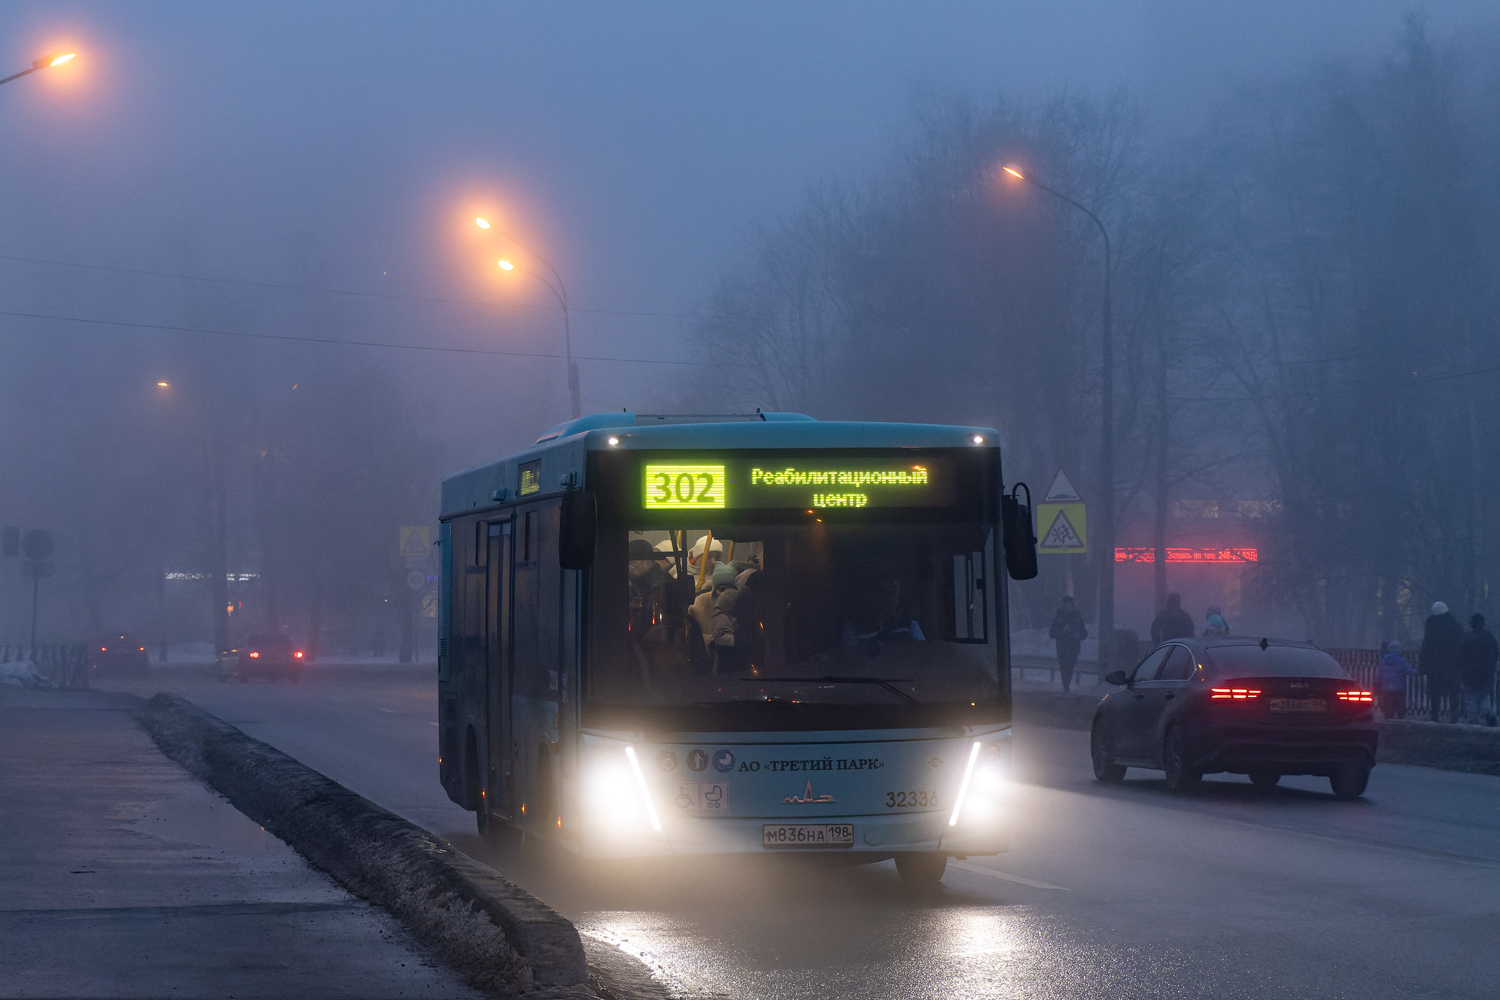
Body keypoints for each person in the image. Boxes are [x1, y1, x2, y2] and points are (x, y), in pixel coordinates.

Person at [1419, 602, 1464, 722]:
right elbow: (1461, 646)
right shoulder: (1455, 626)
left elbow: (1426, 647)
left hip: (1435, 665)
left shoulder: (1431, 626)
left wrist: (1422, 666)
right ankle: (1454, 717)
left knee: (1435, 693)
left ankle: (1435, 717)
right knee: (1453, 691)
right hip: (1452, 665)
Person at [1458, 613, 1498, 726]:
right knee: (1484, 696)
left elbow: (1460, 656)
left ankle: (1473, 722)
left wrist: (1462, 670)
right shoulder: (1489, 636)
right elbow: (1495, 653)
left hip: (1469, 675)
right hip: (1486, 675)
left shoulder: (1466, 638)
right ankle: (1488, 713)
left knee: (1471, 698)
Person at [1047, 596, 1088, 693]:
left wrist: (1078, 635)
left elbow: (1084, 633)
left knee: (1070, 666)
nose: (1067, 607)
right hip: (1062, 647)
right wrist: (1063, 633)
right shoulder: (1058, 617)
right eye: (1065, 604)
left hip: (1074, 647)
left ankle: (1066, 685)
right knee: (1063, 667)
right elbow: (1052, 633)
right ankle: (1066, 685)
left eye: (1069, 604)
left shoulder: (1077, 617)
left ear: (1072, 605)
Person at [1375, 641, 1416, 720]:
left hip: (1385, 689)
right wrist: (1419, 671)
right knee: (1399, 704)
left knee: (1388, 705)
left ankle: (1388, 718)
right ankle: (1400, 719)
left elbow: (1378, 674)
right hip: (1399, 688)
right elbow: (1409, 671)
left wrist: (1377, 683)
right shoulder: (1401, 660)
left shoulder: (1383, 661)